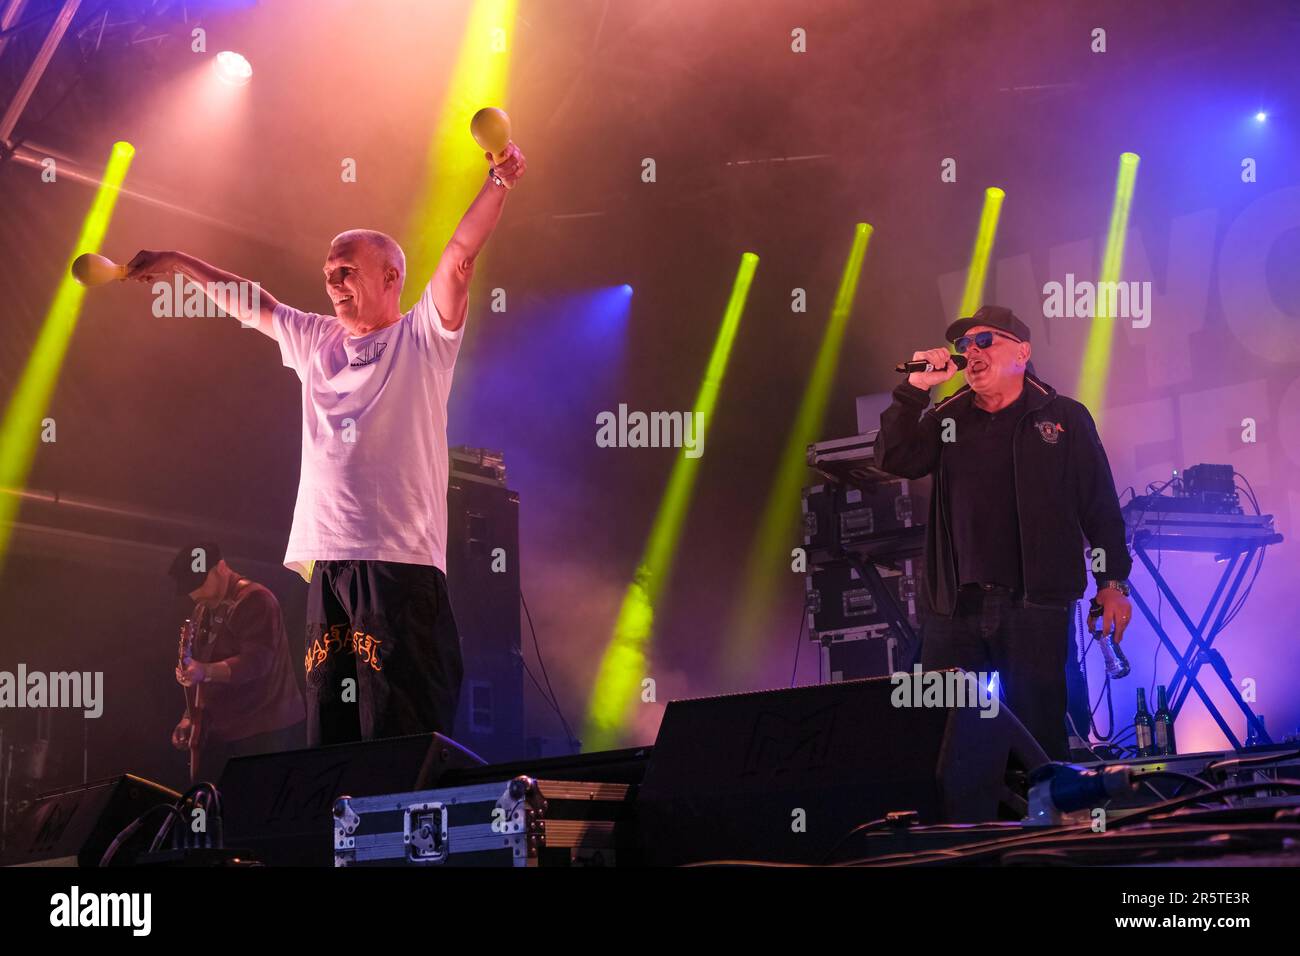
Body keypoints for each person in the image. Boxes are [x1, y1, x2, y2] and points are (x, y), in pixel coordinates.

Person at [132, 144, 528, 745]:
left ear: (391, 277)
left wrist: (498, 179)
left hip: (397, 559)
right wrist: (180, 262)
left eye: (347, 270)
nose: (333, 283)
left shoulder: (422, 337)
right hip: (328, 562)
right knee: (334, 729)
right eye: (328, 274)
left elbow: (458, 257)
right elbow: (249, 302)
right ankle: (341, 836)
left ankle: (407, 832)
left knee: (400, 726)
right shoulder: (316, 341)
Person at [876, 305, 1133, 760]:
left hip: (1033, 606)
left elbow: (1100, 506)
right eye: (963, 345)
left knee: (1038, 741)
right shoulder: (947, 419)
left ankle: (1043, 827)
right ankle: (962, 830)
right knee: (944, 738)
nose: (970, 351)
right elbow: (895, 458)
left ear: (1022, 351)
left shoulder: (1064, 417)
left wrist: (1111, 584)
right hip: (955, 609)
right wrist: (914, 391)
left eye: (984, 341)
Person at [169, 542, 304, 781]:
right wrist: (189, 716)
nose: (196, 594)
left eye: (200, 583)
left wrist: (205, 671)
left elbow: (257, 663)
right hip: (227, 734)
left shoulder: (255, 600)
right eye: (191, 588)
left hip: (263, 735)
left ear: (221, 568)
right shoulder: (204, 608)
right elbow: (201, 670)